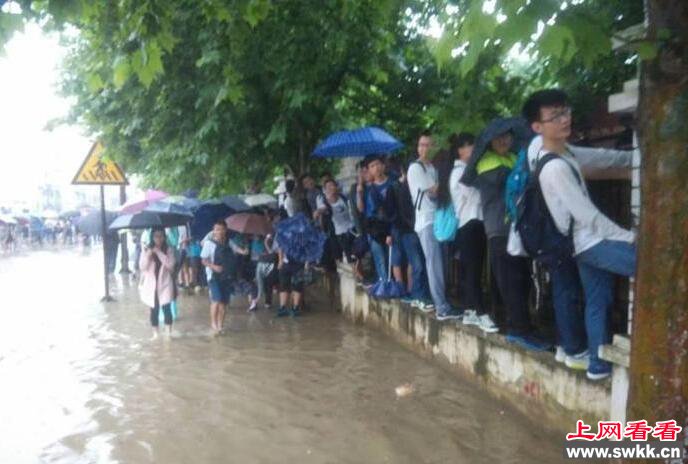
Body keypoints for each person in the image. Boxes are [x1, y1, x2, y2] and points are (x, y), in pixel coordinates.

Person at [523, 89, 636, 379]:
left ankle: (597, 366)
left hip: (582, 244)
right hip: (589, 244)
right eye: (555, 116)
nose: (564, 119)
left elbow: (601, 159)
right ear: (538, 127)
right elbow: (588, 216)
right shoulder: (555, 167)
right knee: (646, 264)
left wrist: (633, 159)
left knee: (598, 300)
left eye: (565, 112)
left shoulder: (566, 154)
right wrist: (631, 238)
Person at [407, 132, 463, 321]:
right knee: (435, 264)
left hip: (438, 221)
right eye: (422, 145)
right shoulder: (415, 168)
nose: (425, 148)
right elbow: (435, 191)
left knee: (443, 263)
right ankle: (441, 307)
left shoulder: (432, 168)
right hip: (426, 221)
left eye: (429, 145)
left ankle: (444, 302)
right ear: (418, 147)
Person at [446, 133, 498, 333]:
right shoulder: (460, 173)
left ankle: (470, 311)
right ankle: (481, 313)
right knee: (473, 272)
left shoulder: (465, 170)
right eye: (469, 147)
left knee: (472, 271)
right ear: (460, 150)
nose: (473, 150)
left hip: (473, 225)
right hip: (469, 224)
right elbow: (476, 196)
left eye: (474, 146)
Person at [390, 161, 431, 309]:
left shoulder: (414, 186)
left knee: (420, 264)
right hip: (409, 232)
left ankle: (421, 294)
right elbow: (402, 213)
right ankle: (418, 295)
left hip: (417, 229)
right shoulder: (401, 189)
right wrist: (412, 226)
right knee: (417, 264)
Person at [358, 154, 395, 283]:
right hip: (376, 231)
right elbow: (362, 209)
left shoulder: (393, 182)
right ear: (369, 170)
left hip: (393, 226)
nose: (376, 168)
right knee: (381, 260)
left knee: (394, 259)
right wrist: (359, 192)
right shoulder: (368, 190)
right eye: (372, 166)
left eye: (377, 164)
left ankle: (393, 284)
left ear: (383, 165)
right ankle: (385, 285)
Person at [138, 227, 176, 339]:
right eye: (156, 236)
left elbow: (170, 265)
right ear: (152, 237)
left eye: (161, 236)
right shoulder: (146, 250)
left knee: (167, 309)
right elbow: (142, 267)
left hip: (165, 284)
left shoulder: (169, 249)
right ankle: (155, 334)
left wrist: (159, 252)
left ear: (164, 237)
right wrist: (149, 254)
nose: (158, 239)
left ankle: (168, 333)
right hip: (151, 285)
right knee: (154, 310)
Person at [201, 220, 237, 335]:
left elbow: (236, 250)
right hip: (213, 276)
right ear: (214, 231)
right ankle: (213, 324)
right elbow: (203, 260)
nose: (219, 232)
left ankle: (220, 326)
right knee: (216, 300)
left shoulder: (229, 242)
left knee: (223, 303)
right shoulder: (209, 243)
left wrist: (244, 251)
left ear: (225, 230)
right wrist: (213, 266)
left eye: (222, 229)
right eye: (217, 229)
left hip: (226, 276)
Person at [316, 178, 355, 262]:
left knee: (357, 253)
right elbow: (322, 210)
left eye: (333, 185)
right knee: (350, 257)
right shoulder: (325, 203)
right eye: (328, 187)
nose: (331, 188)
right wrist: (318, 212)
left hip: (352, 229)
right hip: (340, 233)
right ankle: (356, 271)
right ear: (325, 190)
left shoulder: (343, 197)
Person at [276, 239, 305, 318]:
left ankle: (295, 307)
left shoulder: (304, 232)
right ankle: (283, 307)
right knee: (284, 285)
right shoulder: (285, 232)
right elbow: (280, 246)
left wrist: (307, 263)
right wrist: (280, 260)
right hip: (287, 262)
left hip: (299, 262)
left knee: (297, 285)